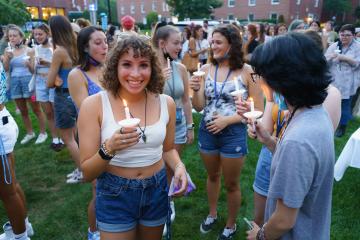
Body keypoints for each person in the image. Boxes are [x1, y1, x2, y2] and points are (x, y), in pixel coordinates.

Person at [77, 35, 188, 240]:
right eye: (127, 64)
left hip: (156, 190)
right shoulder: (94, 105)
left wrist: (179, 166)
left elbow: (168, 149)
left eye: (143, 65)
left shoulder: (167, 103)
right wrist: (109, 148)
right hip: (114, 193)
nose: (135, 74)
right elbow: (87, 173)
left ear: (153, 68)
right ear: (114, 67)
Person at [246, 32, 334, 240]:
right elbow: (302, 169)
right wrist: (269, 141)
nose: (260, 83)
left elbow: (284, 219)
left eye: (262, 76)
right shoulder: (315, 114)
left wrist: (260, 235)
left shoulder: (299, 140)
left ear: (282, 79)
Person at [189, 24, 263, 240]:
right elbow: (200, 106)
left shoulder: (249, 71)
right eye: (212, 42)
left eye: (218, 42)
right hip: (207, 130)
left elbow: (257, 109)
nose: (213, 46)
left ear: (232, 44)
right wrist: (195, 90)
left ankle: (230, 225)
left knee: (231, 183)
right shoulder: (206, 68)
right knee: (212, 176)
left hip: (234, 133)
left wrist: (227, 121)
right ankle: (212, 214)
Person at [152, 24, 194, 234]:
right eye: (176, 43)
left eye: (181, 42)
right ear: (162, 44)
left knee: (170, 166)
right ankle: (154, 201)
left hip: (176, 124)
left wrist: (190, 126)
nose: (180, 46)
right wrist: (158, 80)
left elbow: (186, 100)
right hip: (154, 124)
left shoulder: (181, 68)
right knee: (155, 166)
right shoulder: (148, 68)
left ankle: (168, 201)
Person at [68, 25, 108, 240]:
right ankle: (94, 232)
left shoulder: (108, 68)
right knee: (98, 191)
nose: (105, 46)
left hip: (113, 135)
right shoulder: (77, 75)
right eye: (98, 42)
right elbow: (86, 110)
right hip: (91, 138)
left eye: (105, 41)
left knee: (113, 188)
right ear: (85, 47)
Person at [0, 61, 34, 240]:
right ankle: (23, 227)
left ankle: (21, 237)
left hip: (0, 128)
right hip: (3, 121)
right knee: (10, 186)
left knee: (7, 191)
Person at [47, 15, 80, 183]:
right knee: (77, 135)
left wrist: (55, 78)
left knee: (68, 138)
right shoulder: (77, 44)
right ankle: (81, 167)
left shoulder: (59, 51)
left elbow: (49, 82)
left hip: (63, 96)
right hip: (78, 93)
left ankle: (83, 171)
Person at [2, 25, 47, 145]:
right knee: (23, 110)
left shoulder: (29, 51)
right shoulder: (8, 51)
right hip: (15, 83)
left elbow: (33, 71)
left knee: (36, 109)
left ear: (21, 36)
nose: (12, 38)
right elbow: (6, 69)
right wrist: (7, 58)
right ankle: (30, 133)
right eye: (10, 36)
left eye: (15, 36)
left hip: (28, 82)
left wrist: (28, 64)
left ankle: (43, 133)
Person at [31, 23, 63, 150]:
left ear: (47, 33)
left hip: (53, 83)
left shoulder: (55, 47)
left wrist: (47, 62)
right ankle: (55, 139)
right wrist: (31, 63)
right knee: (48, 113)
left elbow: (61, 65)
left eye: (40, 34)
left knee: (57, 111)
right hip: (39, 82)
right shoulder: (36, 49)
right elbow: (33, 70)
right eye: (36, 34)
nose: (38, 36)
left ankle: (64, 137)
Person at [325, 24, 360, 137]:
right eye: (342, 34)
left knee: (345, 105)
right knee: (331, 102)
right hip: (333, 80)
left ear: (354, 35)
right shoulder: (335, 45)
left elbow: (357, 63)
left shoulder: (358, 47)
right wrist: (329, 58)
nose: (344, 37)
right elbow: (325, 60)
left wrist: (344, 58)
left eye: (347, 35)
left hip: (348, 82)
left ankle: (342, 126)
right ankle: (329, 122)